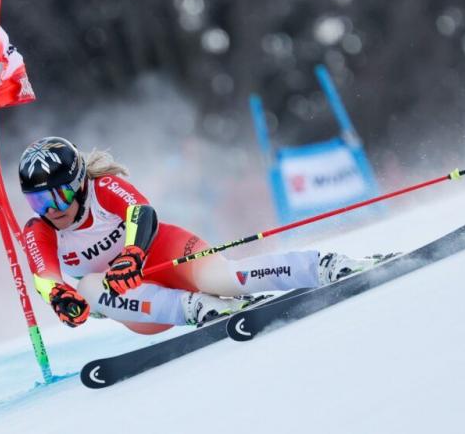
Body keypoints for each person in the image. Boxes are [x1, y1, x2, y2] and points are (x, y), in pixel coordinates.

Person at [20, 137, 387, 335]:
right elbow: (44, 276)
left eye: (60, 193)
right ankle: (194, 308)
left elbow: (142, 212)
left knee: (223, 279)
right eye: (39, 199)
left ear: (80, 183)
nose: (52, 208)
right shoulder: (39, 230)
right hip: (138, 303)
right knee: (89, 288)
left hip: (164, 253)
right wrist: (60, 298)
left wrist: (133, 254)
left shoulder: (105, 188)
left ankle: (325, 266)